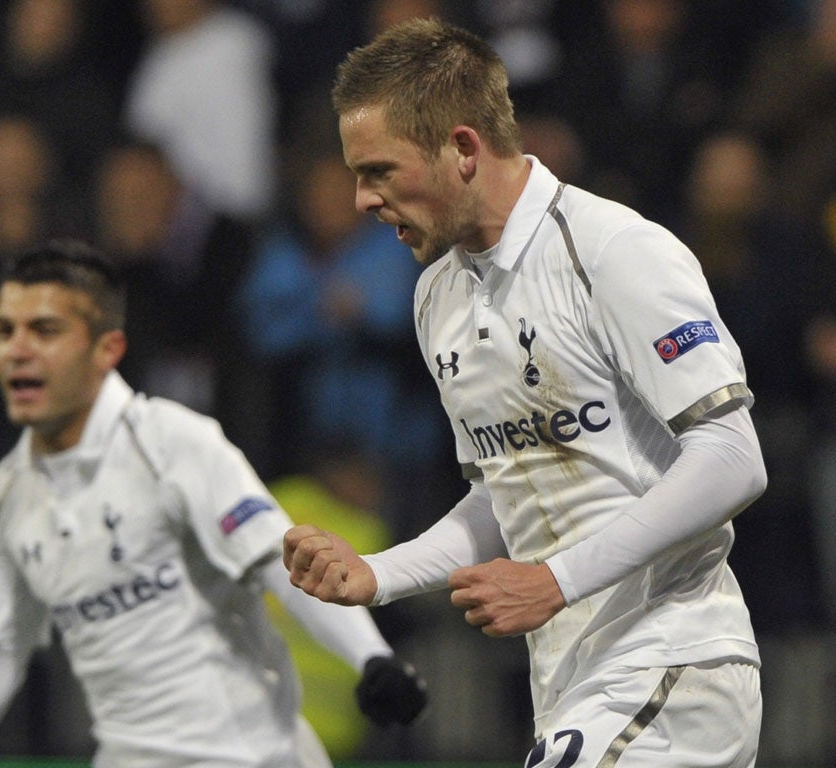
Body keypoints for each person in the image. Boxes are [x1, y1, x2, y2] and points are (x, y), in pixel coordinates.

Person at [283, 17, 768, 768]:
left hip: (674, 665)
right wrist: (381, 574)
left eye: (379, 170)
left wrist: (555, 579)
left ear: (464, 148)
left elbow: (733, 456)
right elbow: (504, 496)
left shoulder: (613, 251)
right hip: (570, 685)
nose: (360, 201)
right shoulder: (436, 298)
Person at [0, 240, 426, 768]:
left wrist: (371, 658)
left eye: (45, 330)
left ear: (107, 350)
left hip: (253, 755)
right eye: (6, 330)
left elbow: (277, 563)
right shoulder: (10, 490)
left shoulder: (174, 443)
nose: (17, 349)